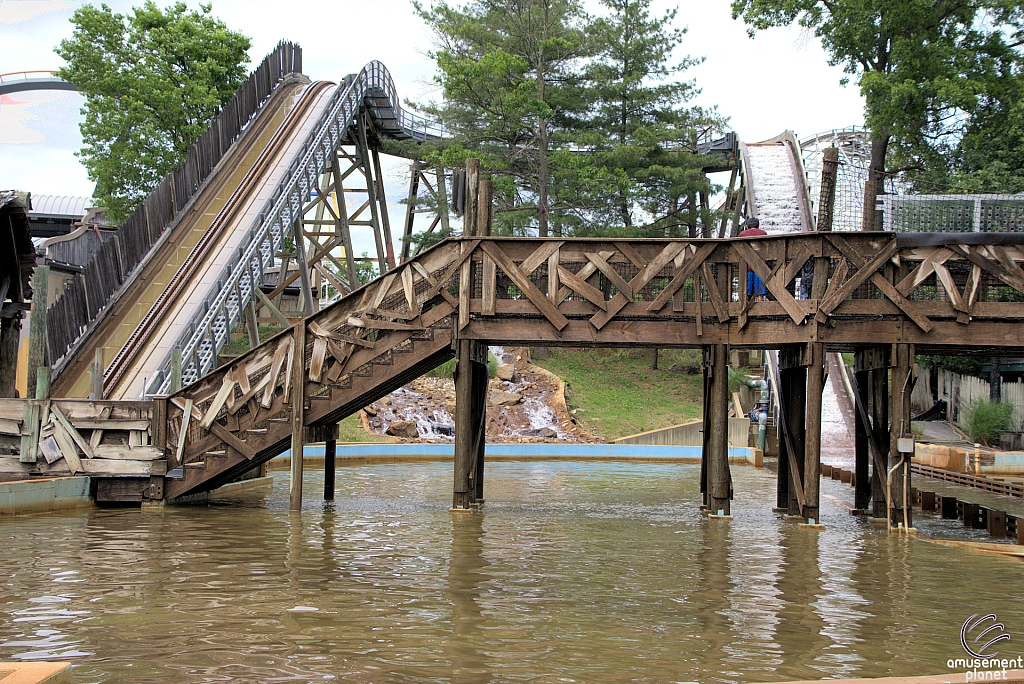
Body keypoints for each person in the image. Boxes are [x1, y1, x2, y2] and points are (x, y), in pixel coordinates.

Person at [739, 217, 767, 300]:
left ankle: (745, 309)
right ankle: (760, 310)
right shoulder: (763, 233)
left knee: (746, 292)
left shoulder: (742, 234)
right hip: (760, 266)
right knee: (760, 293)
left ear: (747, 226)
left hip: (747, 266)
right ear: (758, 226)